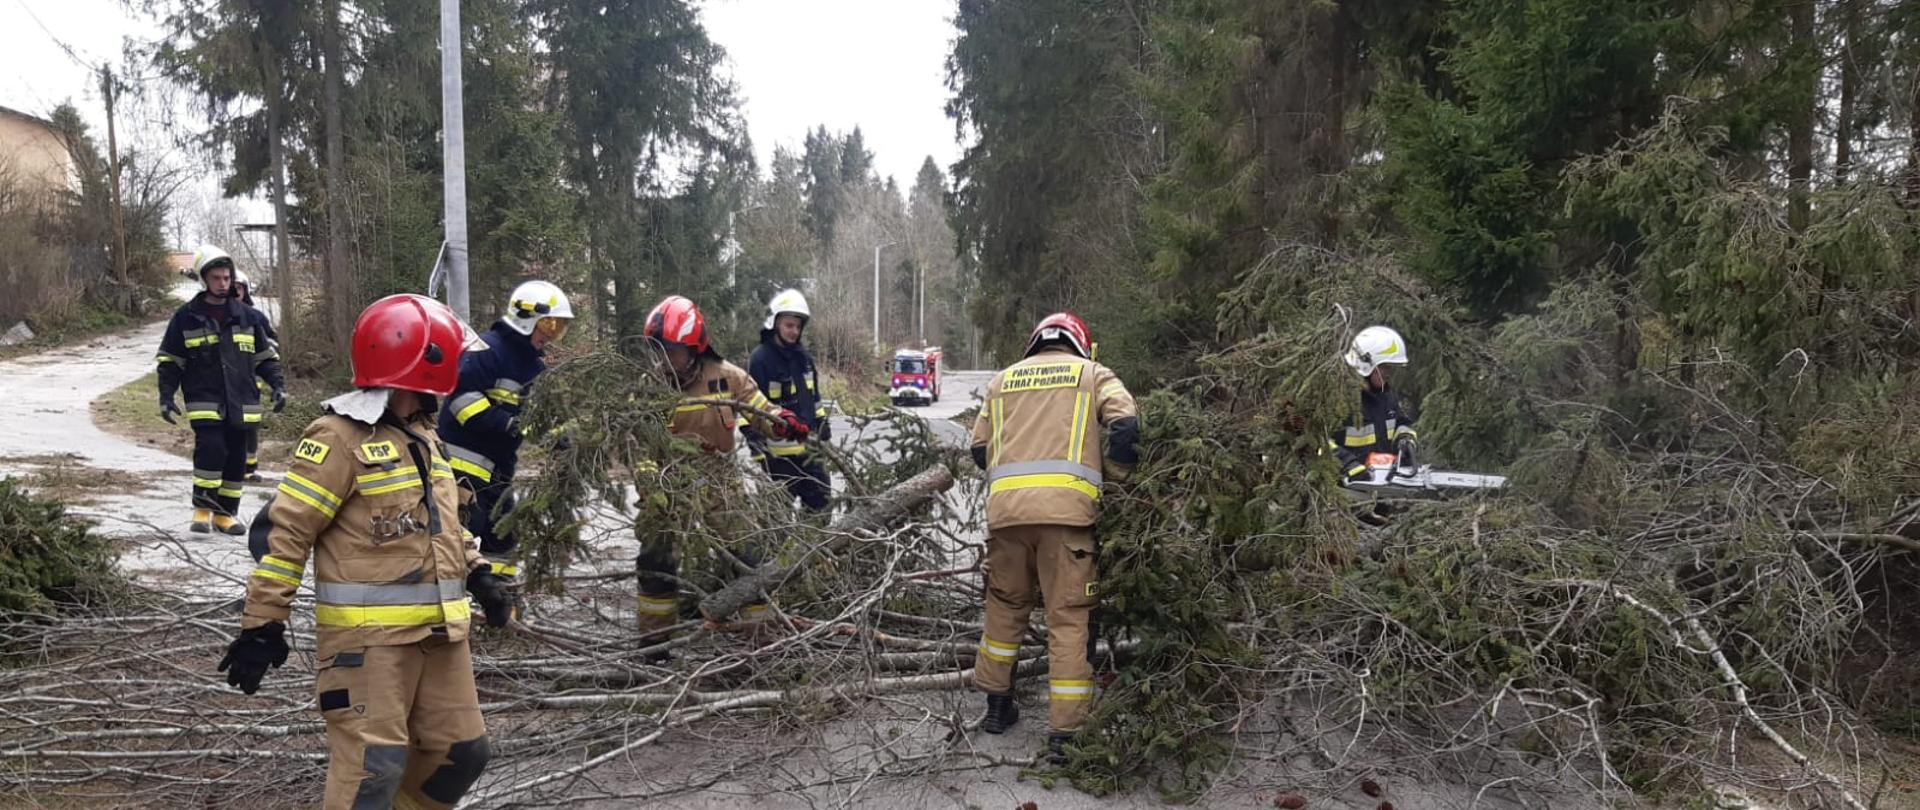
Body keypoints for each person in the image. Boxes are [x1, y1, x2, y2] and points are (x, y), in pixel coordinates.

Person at [218, 293, 514, 809]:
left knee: (461, 754)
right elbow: (286, 535)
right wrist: (262, 624)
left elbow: (443, 525)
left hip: (441, 636)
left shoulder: (425, 435)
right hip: (368, 645)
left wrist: (479, 573)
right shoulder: (338, 438)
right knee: (372, 772)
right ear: (425, 360)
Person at [967, 312, 1139, 763]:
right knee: (1068, 618)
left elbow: (979, 449)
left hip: (1007, 517)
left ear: (1034, 343)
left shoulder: (1002, 381)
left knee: (1005, 608)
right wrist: (1116, 476)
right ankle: (1066, 734)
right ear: (1081, 343)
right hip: (1068, 519)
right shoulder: (1092, 374)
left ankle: (997, 707)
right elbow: (1126, 426)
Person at [633, 295, 808, 641]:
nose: (664, 359)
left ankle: (760, 636)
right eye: (659, 350)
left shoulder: (727, 377)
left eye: (671, 351)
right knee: (656, 561)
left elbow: (759, 409)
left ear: (694, 348)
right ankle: (655, 641)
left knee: (748, 554)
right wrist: (649, 481)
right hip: (668, 485)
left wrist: (783, 422)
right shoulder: (649, 386)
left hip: (720, 480)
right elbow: (636, 443)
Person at [438, 280, 574, 580]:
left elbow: (540, 417)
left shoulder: (534, 368)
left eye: (559, 328)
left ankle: (501, 602)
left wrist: (559, 439)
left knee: (504, 540)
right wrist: (509, 423)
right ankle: (460, 603)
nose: (551, 334)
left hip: (499, 475)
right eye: (549, 324)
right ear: (526, 316)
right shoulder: (486, 350)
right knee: (459, 546)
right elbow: (461, 401)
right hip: (460, 472)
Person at [156, 246, 285, 534]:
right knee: (211, 449)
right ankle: (202, 509)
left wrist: (278, 386)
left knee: (237, 457)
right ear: (204, 279)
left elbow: (265, 358)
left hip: (243, 400)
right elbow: (170, 361)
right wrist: (166, 396)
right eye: (216, 278)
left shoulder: (248, 317)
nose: (223, 283)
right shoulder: (186, 317)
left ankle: (225, 514)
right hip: (204, 398)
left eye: (227, 278)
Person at [746, 288, 832, 513]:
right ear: (775, 323)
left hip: (810, 452)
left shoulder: (804, 360)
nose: (794, 331)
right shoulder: (761, 359)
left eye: (798, 326)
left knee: (821, 507)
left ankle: (811, 538)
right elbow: (749, 408)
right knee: (777, 519)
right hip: (778, 459)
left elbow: (814, 400)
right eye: (789, 325)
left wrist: (823, 426)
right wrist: (758, 450)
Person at [1328, 325, 1417, 482]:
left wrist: (1405, 439)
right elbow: (1319, 442)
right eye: (1384, 367)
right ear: (1365, 365)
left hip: (1380, 483)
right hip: (1344, 485)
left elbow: (1401, 423)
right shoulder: (1339, 398)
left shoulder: (1387, 396)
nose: (1389, 373)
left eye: (1391, 367)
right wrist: (1348, 464)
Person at [232, 269, 280, 482]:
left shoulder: (255, 317)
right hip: (223, 385)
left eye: (239, 288)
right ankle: (229, 466)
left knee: (250, 426)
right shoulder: (215, 316)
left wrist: (276, 382)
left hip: (251, 383)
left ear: (245, 291)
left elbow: (273, 344)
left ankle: (249, 468)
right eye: (232, 287)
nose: (235, 292)